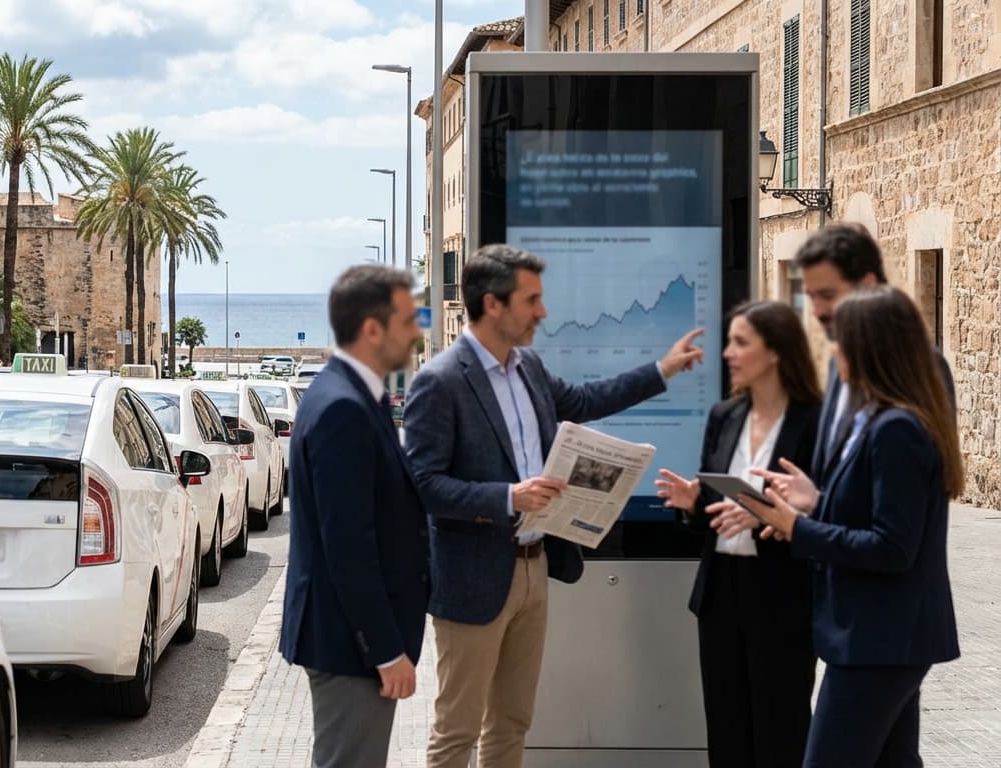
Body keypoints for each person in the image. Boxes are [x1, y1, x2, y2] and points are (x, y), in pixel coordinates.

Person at [402, 244, 705, 768]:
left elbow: (587, 401)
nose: (542, 312)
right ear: (493, 305)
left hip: (534, 570)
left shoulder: (530, 368)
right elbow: (425, 485)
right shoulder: (441, 381)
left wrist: (662, 371)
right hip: (472, 580)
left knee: (513, 722)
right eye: (532, 299)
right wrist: (508, 498)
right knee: (457, 730)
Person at [742, 286, 961, 767]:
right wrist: (815, 502)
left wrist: (798, 528)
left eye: (843, 339)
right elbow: (877, 517)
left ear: (872, 348)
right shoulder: (878, 420)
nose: (834, 349)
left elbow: (891, 546)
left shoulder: (896, 429)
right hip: (884, 637)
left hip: (878, 639)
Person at [653, 301, 821, 768]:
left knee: (780, 732)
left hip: (782, 593)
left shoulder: (815, 421)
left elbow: (821, 511)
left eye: (741, 342)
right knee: (726, 732)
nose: (728, 352)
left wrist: (768, 513)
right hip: (721, 593)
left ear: (776, 352)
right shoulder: (724, 416)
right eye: (729, 341)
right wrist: (693, 505)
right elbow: (712, 516)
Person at [279, 264, 429, 768]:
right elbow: (348, 546)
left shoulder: (354, 394)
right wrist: (386, 651)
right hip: (351, 646)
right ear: (372, 329)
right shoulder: (343, 407)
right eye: (409, 320)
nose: (418, 332)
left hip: (349, 640)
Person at [786, 223, 953, 485]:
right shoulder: (837, 363)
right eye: (811, 296)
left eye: (827, 295)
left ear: (867, 285)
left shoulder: (923, 364)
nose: (817, 310)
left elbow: (918, 489)